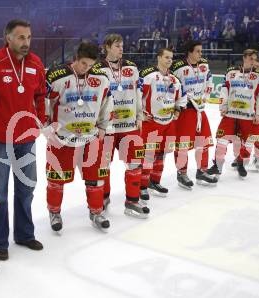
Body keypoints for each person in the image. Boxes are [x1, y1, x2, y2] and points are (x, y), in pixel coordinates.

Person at [0, 19, 46, 261]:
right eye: (20, 37)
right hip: (0, 140)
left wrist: (40, 119)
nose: (25, 42)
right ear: (8, 38)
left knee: (26, 190)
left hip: (27, 138)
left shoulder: (36, 63)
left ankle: (25, 234)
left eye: (28, 37)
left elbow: (40, 95)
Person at [45, 42, 113, 232]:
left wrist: (102, 126)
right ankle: (54, 212)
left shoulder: (101, 78)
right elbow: (42, 101)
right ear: (75, 58)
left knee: (95, 176)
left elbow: (107, 102)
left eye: (91, 65)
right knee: (56, 178)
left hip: (90, 137)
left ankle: (96, 211)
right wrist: (48, 129)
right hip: (62, 138)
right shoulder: (56, 76)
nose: (87, 69)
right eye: (84, 64)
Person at [93, 34, 149, 218]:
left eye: (122, 45)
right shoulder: (97, 70)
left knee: (134, 164)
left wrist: (140, 115)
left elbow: (138, 92)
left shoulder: (132, 67)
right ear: (107, 46)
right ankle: (104, 196)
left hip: (129, 125)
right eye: (117, 45)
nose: (121, 48)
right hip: (107, 127)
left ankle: (132, 201)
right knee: (103, 165)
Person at [208, 49, 259, 179]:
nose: (254, 61)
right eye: (251, 58)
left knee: (247, 143)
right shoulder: (231, 72)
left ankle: (240, 162)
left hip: (248, 116)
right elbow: (224, 90)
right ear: (244, 58)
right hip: (231, 113)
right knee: (221, 139)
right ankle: (217, 166)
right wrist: (223, 106)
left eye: (255, 59)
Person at [170, 40, 217, 190]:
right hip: (185, 111)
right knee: (182, 144)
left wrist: (205, 95)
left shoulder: (204, 64)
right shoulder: (178, 67)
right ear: (189, 52)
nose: (200, 54)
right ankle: (182, 173)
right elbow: (172, 88)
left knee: (203, 141)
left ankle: (202, 170)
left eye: (201, 51)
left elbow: (209, 81)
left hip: (199, 110)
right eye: (197, 51)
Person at [139, 48, 184, 199]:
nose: (169, 60)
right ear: (159, 58)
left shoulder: (175, 80)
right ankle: (142, 185)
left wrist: (177, 110)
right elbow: (138, 95)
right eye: (166, 57)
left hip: (168, 123)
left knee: (162, 154)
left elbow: (181, 98)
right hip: (151, 122)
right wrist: (141, 114)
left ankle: (155, 181)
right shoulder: (148, 75)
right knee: (148, 154)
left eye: (171, 58)